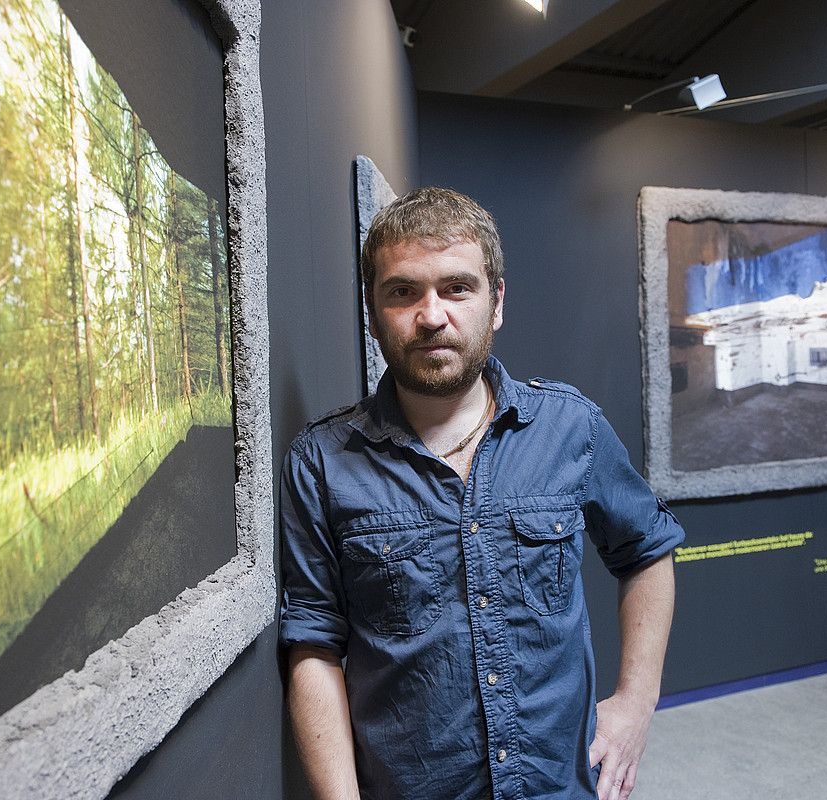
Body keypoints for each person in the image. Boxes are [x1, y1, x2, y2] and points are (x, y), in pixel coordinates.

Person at [279, 187, 684, 800]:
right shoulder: (322, 462)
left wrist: (636, 702)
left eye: (456, 288)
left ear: (495, 303)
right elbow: (313, 644)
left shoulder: (569, 428)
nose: (431, 315)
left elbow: (646, 551)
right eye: (403, 291)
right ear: (372, 310)